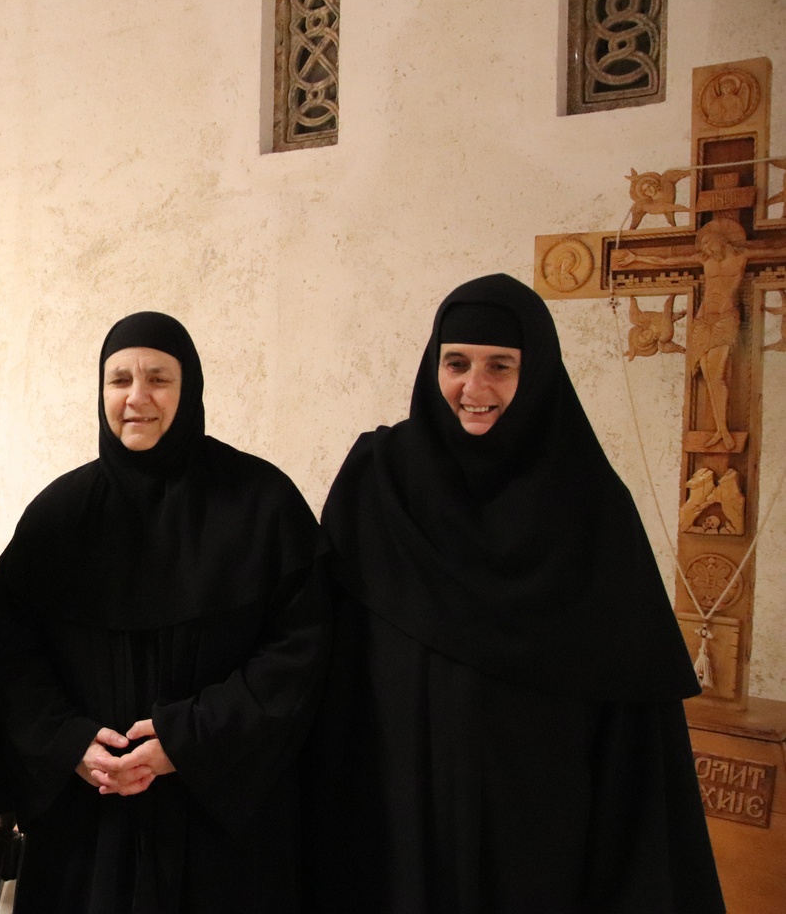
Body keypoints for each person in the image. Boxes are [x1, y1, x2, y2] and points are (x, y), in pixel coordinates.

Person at [302, 273, 724, 914]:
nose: (474, 388)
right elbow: (320, 645)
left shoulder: (591, 508)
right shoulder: (378, 480)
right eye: (457, 363)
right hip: (395, 811)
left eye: (501, 365)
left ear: (538, 373)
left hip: (542, 829)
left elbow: (634, 723)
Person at [0, 312, 329, 913]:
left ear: (189, 389)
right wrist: (70, 743)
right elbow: (12, 659)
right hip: (89, 821)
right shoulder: (57, 519)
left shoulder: (262, 505)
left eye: (158, 380)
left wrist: (188, 741)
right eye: (119, 380)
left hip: (224, 824)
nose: (136, 398)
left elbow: (299, 654)